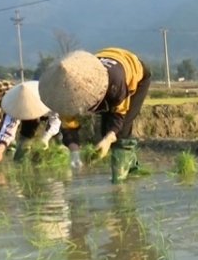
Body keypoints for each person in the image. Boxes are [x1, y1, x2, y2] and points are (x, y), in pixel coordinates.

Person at [37, 48, 152, 183]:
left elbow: (118, 115)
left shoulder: (116, 81)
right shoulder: (65, 92)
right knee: (104, 131)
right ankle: (132, 168)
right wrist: (74, 153)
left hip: (134, 75)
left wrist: (109, 139)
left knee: (121, 132)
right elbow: (69, 124)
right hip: (107, 63)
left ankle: (119, 182)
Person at [0, 80, 62, 164]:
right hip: (28, 118)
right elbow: (8, 129)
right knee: (23, 144)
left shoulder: (49, 98)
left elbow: (56, 120)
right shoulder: (15, 106)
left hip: (49, 113)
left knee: (60, 140)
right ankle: (19, 165)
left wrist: (45, 137)